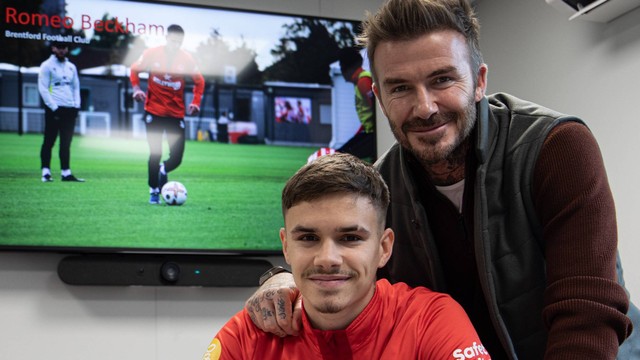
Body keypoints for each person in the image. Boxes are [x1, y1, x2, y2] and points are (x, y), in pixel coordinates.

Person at [244, 0, 640, 359]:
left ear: (480, 81)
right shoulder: (379, 190)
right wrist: (280, 279)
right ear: (380, 99)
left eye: (442, 80)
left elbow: (587, 312)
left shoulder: (556, 147)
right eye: (400, 88)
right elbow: (350, 286)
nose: (425, 107)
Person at [203, 153, 491, 359]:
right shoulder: (249, 335)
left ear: (384, 247)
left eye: (350, 238)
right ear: (286, 246)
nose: (327, 258)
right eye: (308, 238)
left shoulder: (431, 322)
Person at [130, 24, 205, 204]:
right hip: (153, 112)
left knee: (177, 157)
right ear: (166, 38)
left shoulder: (186, 59)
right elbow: (134, 69)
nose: (176, 44)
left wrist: (195, 102)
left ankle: (163, 169)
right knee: (155, 152)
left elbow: (199, 81)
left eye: (179, 42)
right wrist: (136, 89)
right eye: (173, 40)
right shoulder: (151, 53)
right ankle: (154, 190)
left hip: (175, 114)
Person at [38, 41, 84, 182]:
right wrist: (53, 107)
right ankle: (46, 172)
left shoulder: (71, 67)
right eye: (59, 47)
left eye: (64, 48)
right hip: (55, 109)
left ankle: (66, 173)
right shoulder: (47, 65)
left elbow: (76, 87)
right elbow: (43, 88)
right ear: (53, 49)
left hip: (69, 108)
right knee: (49, 140)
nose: (62, 50)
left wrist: (76, 105)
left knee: (66, 143)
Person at [336, 47, 376, 163]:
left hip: (373, 135)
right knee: (340, 154)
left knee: (341, 156)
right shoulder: (361, 81)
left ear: (347, 68)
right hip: (369, 132)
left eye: (342, 66)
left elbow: (376, 112)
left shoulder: (363, 82)